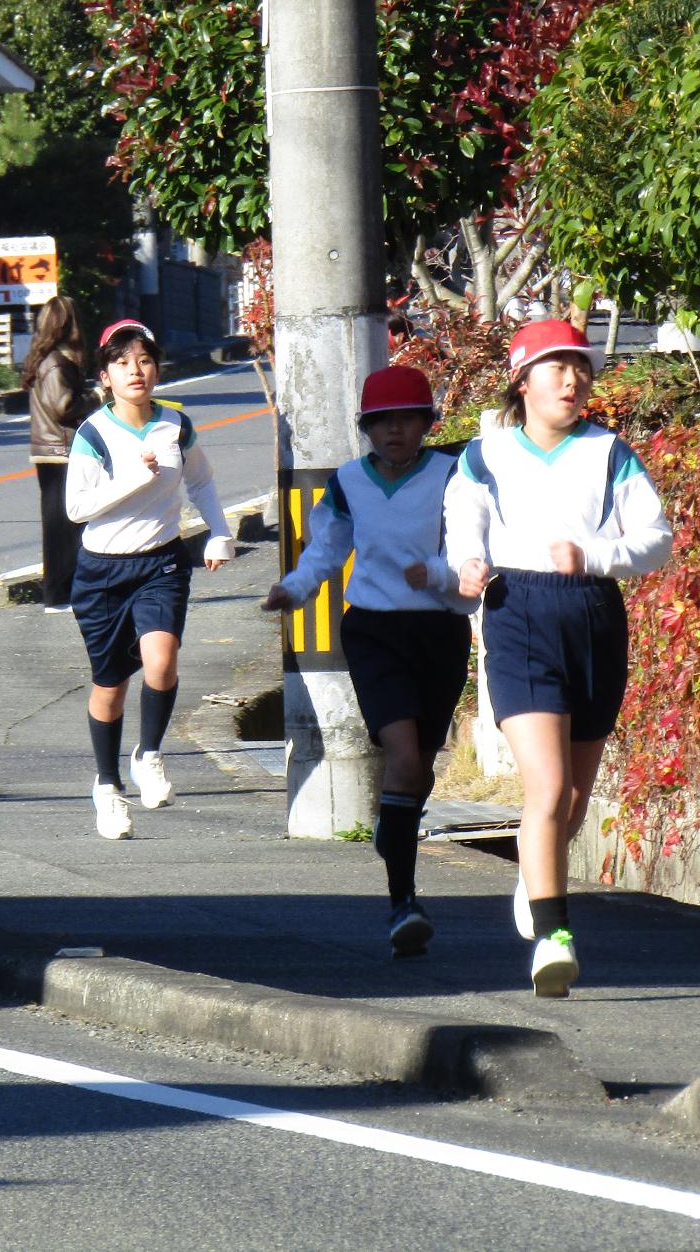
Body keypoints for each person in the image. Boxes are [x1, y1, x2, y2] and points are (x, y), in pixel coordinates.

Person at [445, 318, 672, 998]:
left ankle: (532, 876)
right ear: (522, 380)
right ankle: (554, 934)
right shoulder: (485, 454)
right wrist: (465, 567)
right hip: (516, 612)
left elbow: (655, 539)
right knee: (546, 788)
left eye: (579, 368)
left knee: (573, 795)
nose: (571, 380)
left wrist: (594, 557)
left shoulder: (609, 452)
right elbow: (463, 525)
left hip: (594, 615)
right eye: (555, 367)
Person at [261, 366, 475, 958]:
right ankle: (402, 902)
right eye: (381, 421)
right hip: (375, 630)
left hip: (440, 628)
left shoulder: (453, 474)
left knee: (420, 768)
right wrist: (294, 589)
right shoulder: (347, 482)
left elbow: (471, 544)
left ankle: (393, 824)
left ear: (429, 423)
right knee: (403, 756)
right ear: (366, 429)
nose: (394, 431)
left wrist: (442, 576)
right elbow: (326, 552)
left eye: (407, 418)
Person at [65, 319, 236, 839]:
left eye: (143, 360)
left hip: (160, 562)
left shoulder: (175, 426)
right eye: (122, 363)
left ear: (157, 368)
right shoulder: (93, 433)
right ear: (106, 376)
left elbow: (201, 481)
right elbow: (76, 508)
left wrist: (219, 533)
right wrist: (135, 478)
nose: (135, 371)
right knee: (110, 687)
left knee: (161, 661)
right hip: (101, 571)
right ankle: (107, 786)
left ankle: (151, 754)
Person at [21, 296, 94, 613]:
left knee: (61, 524)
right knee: (64, 525)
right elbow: (64, 406)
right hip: (60, 450)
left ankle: (62, 591)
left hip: (52, 450)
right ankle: (59, 593)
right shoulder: (56, 363)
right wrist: (97, 396)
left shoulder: (46, 358)